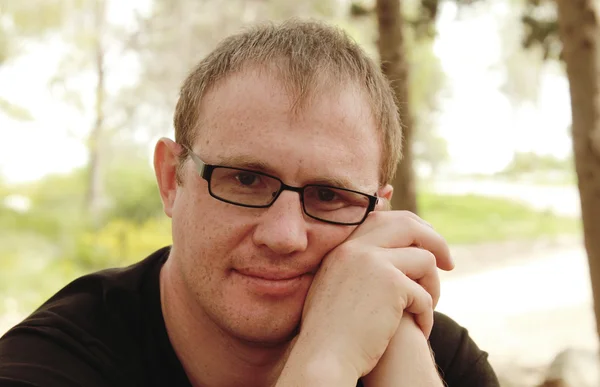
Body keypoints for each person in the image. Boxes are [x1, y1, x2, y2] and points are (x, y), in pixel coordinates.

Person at [0, 19, 499, 387]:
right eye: (245, 180)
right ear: (172, 179)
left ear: (376, 214)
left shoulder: (435, 360)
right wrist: (325, 365)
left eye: (328, 195)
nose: (283, 235)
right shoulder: (45, 367)